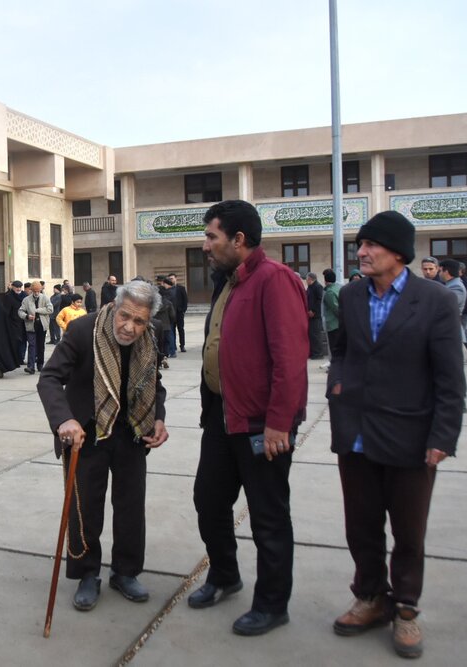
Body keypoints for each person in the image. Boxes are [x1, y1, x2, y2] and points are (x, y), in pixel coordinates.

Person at [327, 211, 465, 659]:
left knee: (408, 531)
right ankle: (370, 597)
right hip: (357, 432)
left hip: (411, 435)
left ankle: (405, 609)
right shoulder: (351, 295)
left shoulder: (435, 300)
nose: (362, 253)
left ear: (399, 253)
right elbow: (341, 350)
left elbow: (450, 378)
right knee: (361, 526)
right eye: (360, 245)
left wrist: (443, 436)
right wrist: (337, 385)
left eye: (372, 245)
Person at [189, 200, 308, 637]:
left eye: (211, 236)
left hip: (262, 425)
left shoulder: (274, 280)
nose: (205, 245)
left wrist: (279, 422)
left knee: (268, 516)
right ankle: (225, 575)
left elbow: (290, 359)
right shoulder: (229, 282)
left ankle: (273, 604)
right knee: (208, 500)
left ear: (238, 239)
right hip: (223, 417)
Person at [37, 280, 169, 611]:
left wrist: (158, 418)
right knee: (85, 508)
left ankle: (125, 572)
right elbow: (49, 378)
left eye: (139, 321)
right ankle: (87, 573)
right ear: (115, 306)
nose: (130, 327)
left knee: (131, 507)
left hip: (132, 433)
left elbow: (154, 382)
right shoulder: (83, 330)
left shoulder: (150, 338)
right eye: (125, 316)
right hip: (87, 433)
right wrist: (64, 420)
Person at [19, 280, 53, 375]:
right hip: (31, 325)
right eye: (35, 291)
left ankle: (40, 364)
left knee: (40, 346)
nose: (37, 293)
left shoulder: (45, 298)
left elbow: (50, 309)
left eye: (38, 291)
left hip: (42, 325)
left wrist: (37, 310)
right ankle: (31, 367)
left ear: (40, 290)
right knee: (32, 345)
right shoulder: (26, 300)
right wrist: (27, 316)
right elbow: (20, 311)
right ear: (31, 290)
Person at [321, 269, 341, 370]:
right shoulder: (338, 288)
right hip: (338, 324)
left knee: (334, 348)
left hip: (333, 324)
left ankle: (335, 368)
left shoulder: (329, 292)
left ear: (325, 280)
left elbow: (335, 308)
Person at [4, 280, 27, 363]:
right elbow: (6, 311)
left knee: (24, 340)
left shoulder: (25, 296)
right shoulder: (8, 296)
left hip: (24, 321)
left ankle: (21, 358)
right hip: (13, 323)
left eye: (20, 287)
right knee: (16, 341)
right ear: (12, 287)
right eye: (17, 287)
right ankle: (16, 358)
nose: (18, 288)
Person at [306, 272, 326, 360]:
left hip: (316, 315)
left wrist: (313, 310)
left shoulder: (318, 287)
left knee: (316, 335)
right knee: (312, 335)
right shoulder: (310, 287)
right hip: (310, 315)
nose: (306, 281)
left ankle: (318, 353)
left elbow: (319, 300)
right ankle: (314, 352)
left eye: (307, 279)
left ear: (310, 279)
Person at [168, 273, 188, 352]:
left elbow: (185, 300)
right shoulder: (168, 289)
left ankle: (182, 345)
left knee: (181, 329)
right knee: (172, 330)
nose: (171, 280)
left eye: (172, 278)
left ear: (176, 278)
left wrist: (183, 310)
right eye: (169, 279)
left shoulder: (181, 288)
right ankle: (173, 346)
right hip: (171, 313)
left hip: (179, 313)